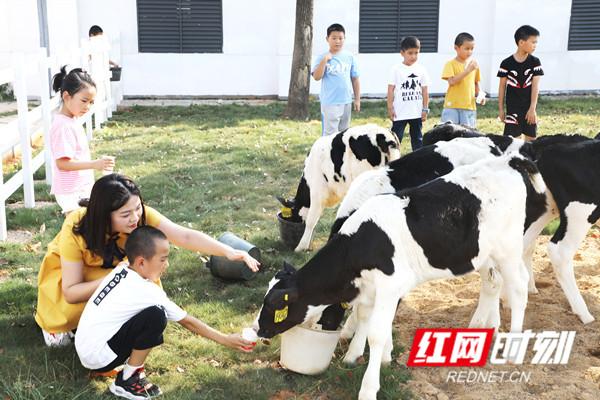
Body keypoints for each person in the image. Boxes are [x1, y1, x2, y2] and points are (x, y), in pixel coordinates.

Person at [35, 174, 260, 347]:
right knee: (68, 318)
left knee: (143, 292)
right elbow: (72, 292)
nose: (135, 218)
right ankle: (62, 327)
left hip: (115, 271)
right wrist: (118, 275)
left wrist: (228, 251)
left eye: (137, 208)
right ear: (104, 215)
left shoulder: (141, 216)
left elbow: (184, 235)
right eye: (125, 215)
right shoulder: (77, 227)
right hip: (74, 281)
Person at [75, 226, 254, 399]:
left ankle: (118, 367)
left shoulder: (122, 269)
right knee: (156, 316)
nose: (166, 265)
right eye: (162, 260)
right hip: (97, 356)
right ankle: (128, 379)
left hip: (86, 347)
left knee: (149, 314)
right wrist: (226, 339)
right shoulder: (147, 291)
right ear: (141, 262)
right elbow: (188, 321)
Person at [49, 66, 115, 214]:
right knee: (78, 232)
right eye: (84, 100)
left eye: (91, 102)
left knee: (84, 231)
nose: (88, 106)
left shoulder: (71, 121)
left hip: (79, 188)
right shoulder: (63, 126)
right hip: (72, 192)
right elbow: (62, 163)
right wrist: (95, 164)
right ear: (66, 97)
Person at [312, 23, 360, 136]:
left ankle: (341, 154)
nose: (337, 41)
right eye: (334, 38)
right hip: (330, 103)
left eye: (340, 38)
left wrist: (357, 99)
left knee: (344, 134)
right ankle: (326, 154)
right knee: (330, 135)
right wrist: (324, 61)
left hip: (346, 101)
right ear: (327, 39)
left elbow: (355, 79)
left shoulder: (349, 57)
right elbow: (316, 77)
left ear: (344, 39)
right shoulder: (322, 57)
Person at [497, 25, 544, 142]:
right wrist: (501, 109)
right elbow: (502, 87)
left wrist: (532, 108)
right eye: (533, 42)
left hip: (529, 108)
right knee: (513, 142)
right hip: (513, 108)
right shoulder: (506, 63)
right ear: (521, 42)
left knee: (531, 142)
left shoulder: (535, 62)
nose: (535, 45)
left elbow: (535, 86)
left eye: (536, 42)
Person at [387, 36, 430, 151]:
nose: (413, 56)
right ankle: (393, 160)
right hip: (400, 112)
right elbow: (391, 89)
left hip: (416, 112)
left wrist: (425, 109)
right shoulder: (396, 69)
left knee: (417, 139)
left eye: (416, 53)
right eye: (410, 53)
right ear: (402, 53)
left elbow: (425, 90)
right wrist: (390, 107)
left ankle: (418, 161)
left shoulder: (421, 69)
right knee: (395, 138)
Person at [441, 32, 485, 128]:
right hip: (452, 106)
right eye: (467, 49)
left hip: (469, 106)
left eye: (472, 49)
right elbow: (452, 81)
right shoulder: (450, 64)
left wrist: (480, 95)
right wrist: (467, 70)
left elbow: (476, 82)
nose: (469, 52)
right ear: (456, 48)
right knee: (449, 133)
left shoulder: (474, 65)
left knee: (468, 134)